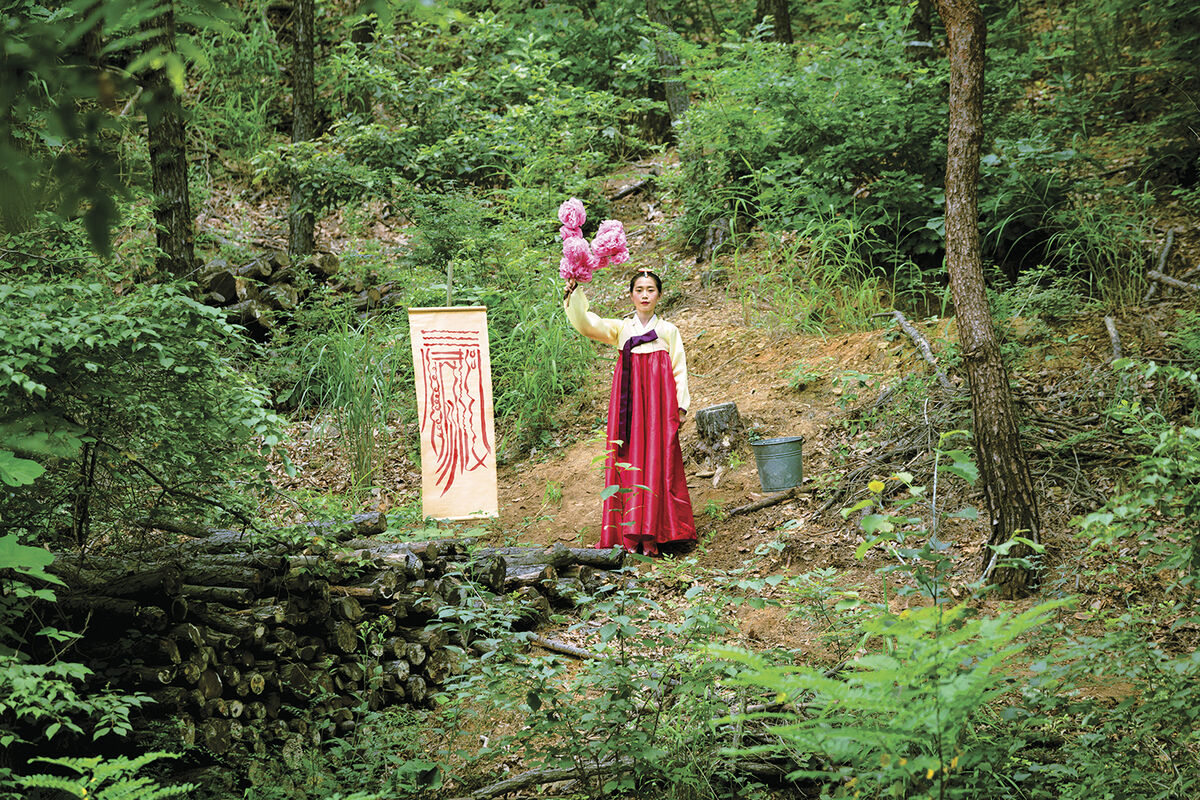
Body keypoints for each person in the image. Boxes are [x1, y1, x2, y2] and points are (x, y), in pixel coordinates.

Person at [564, 270, 697, 554]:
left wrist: (681, 408)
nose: (645, 295)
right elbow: (589, 324)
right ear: (631, 294)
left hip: (659, 408)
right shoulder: (622, 329)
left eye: (650, 289)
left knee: (659, 459)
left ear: (659, 295)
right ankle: (628, 532)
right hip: (629, 408)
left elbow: (679, 370)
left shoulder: (668, 331)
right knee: (628, 459)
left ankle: (659, 531)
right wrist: (575, 293)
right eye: (639, 289)